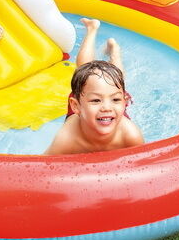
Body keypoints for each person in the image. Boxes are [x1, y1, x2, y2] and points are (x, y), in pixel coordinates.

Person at [45, 19, 143, 155]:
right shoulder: (67, 138)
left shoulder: (130, 135)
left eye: (116, 100)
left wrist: (107, 99)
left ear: (124, 102)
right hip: (84, 105)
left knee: (115, 77)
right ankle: (92, 28)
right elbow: (43, 164)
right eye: (96, 101)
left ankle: (115, 52)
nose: (107, 107)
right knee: (85, 71)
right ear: (76, 106)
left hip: (103, 96)